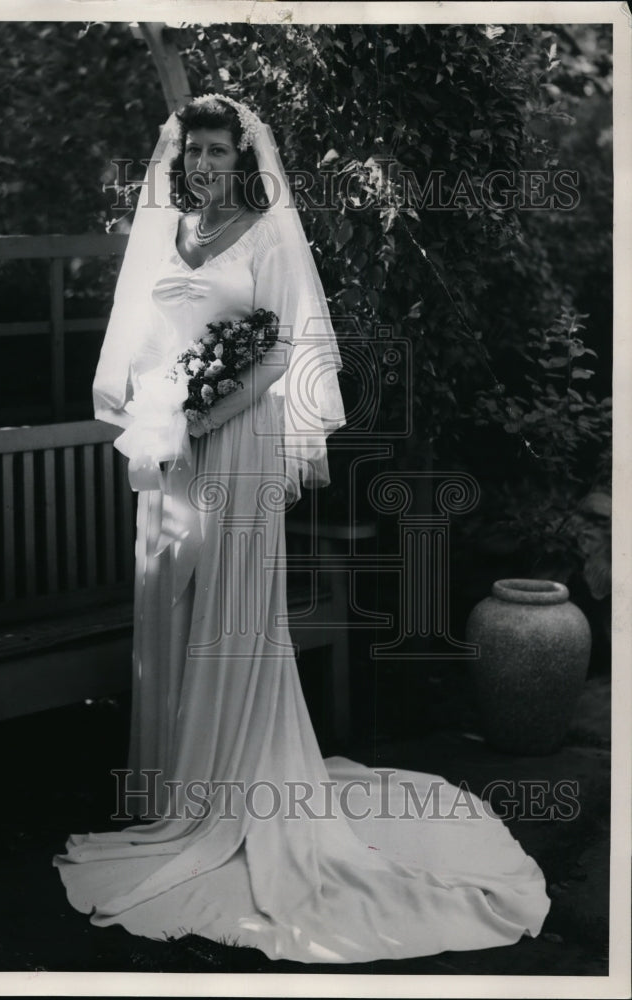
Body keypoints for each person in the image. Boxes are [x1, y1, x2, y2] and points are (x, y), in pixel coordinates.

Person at [53, 94, 550, 964]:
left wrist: (215, 408)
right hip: (171, 452)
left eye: (216, 150)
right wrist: (164, 407)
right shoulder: (164, 234)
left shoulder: (263, 230)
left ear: (238, 157)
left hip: (236, 443)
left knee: (231, 618)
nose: (203, 164)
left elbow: (285, 349)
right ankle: (177, 786)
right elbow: (139, 340)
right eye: (193, 152)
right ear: (178, 160)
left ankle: (237, 788)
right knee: (170, 604)